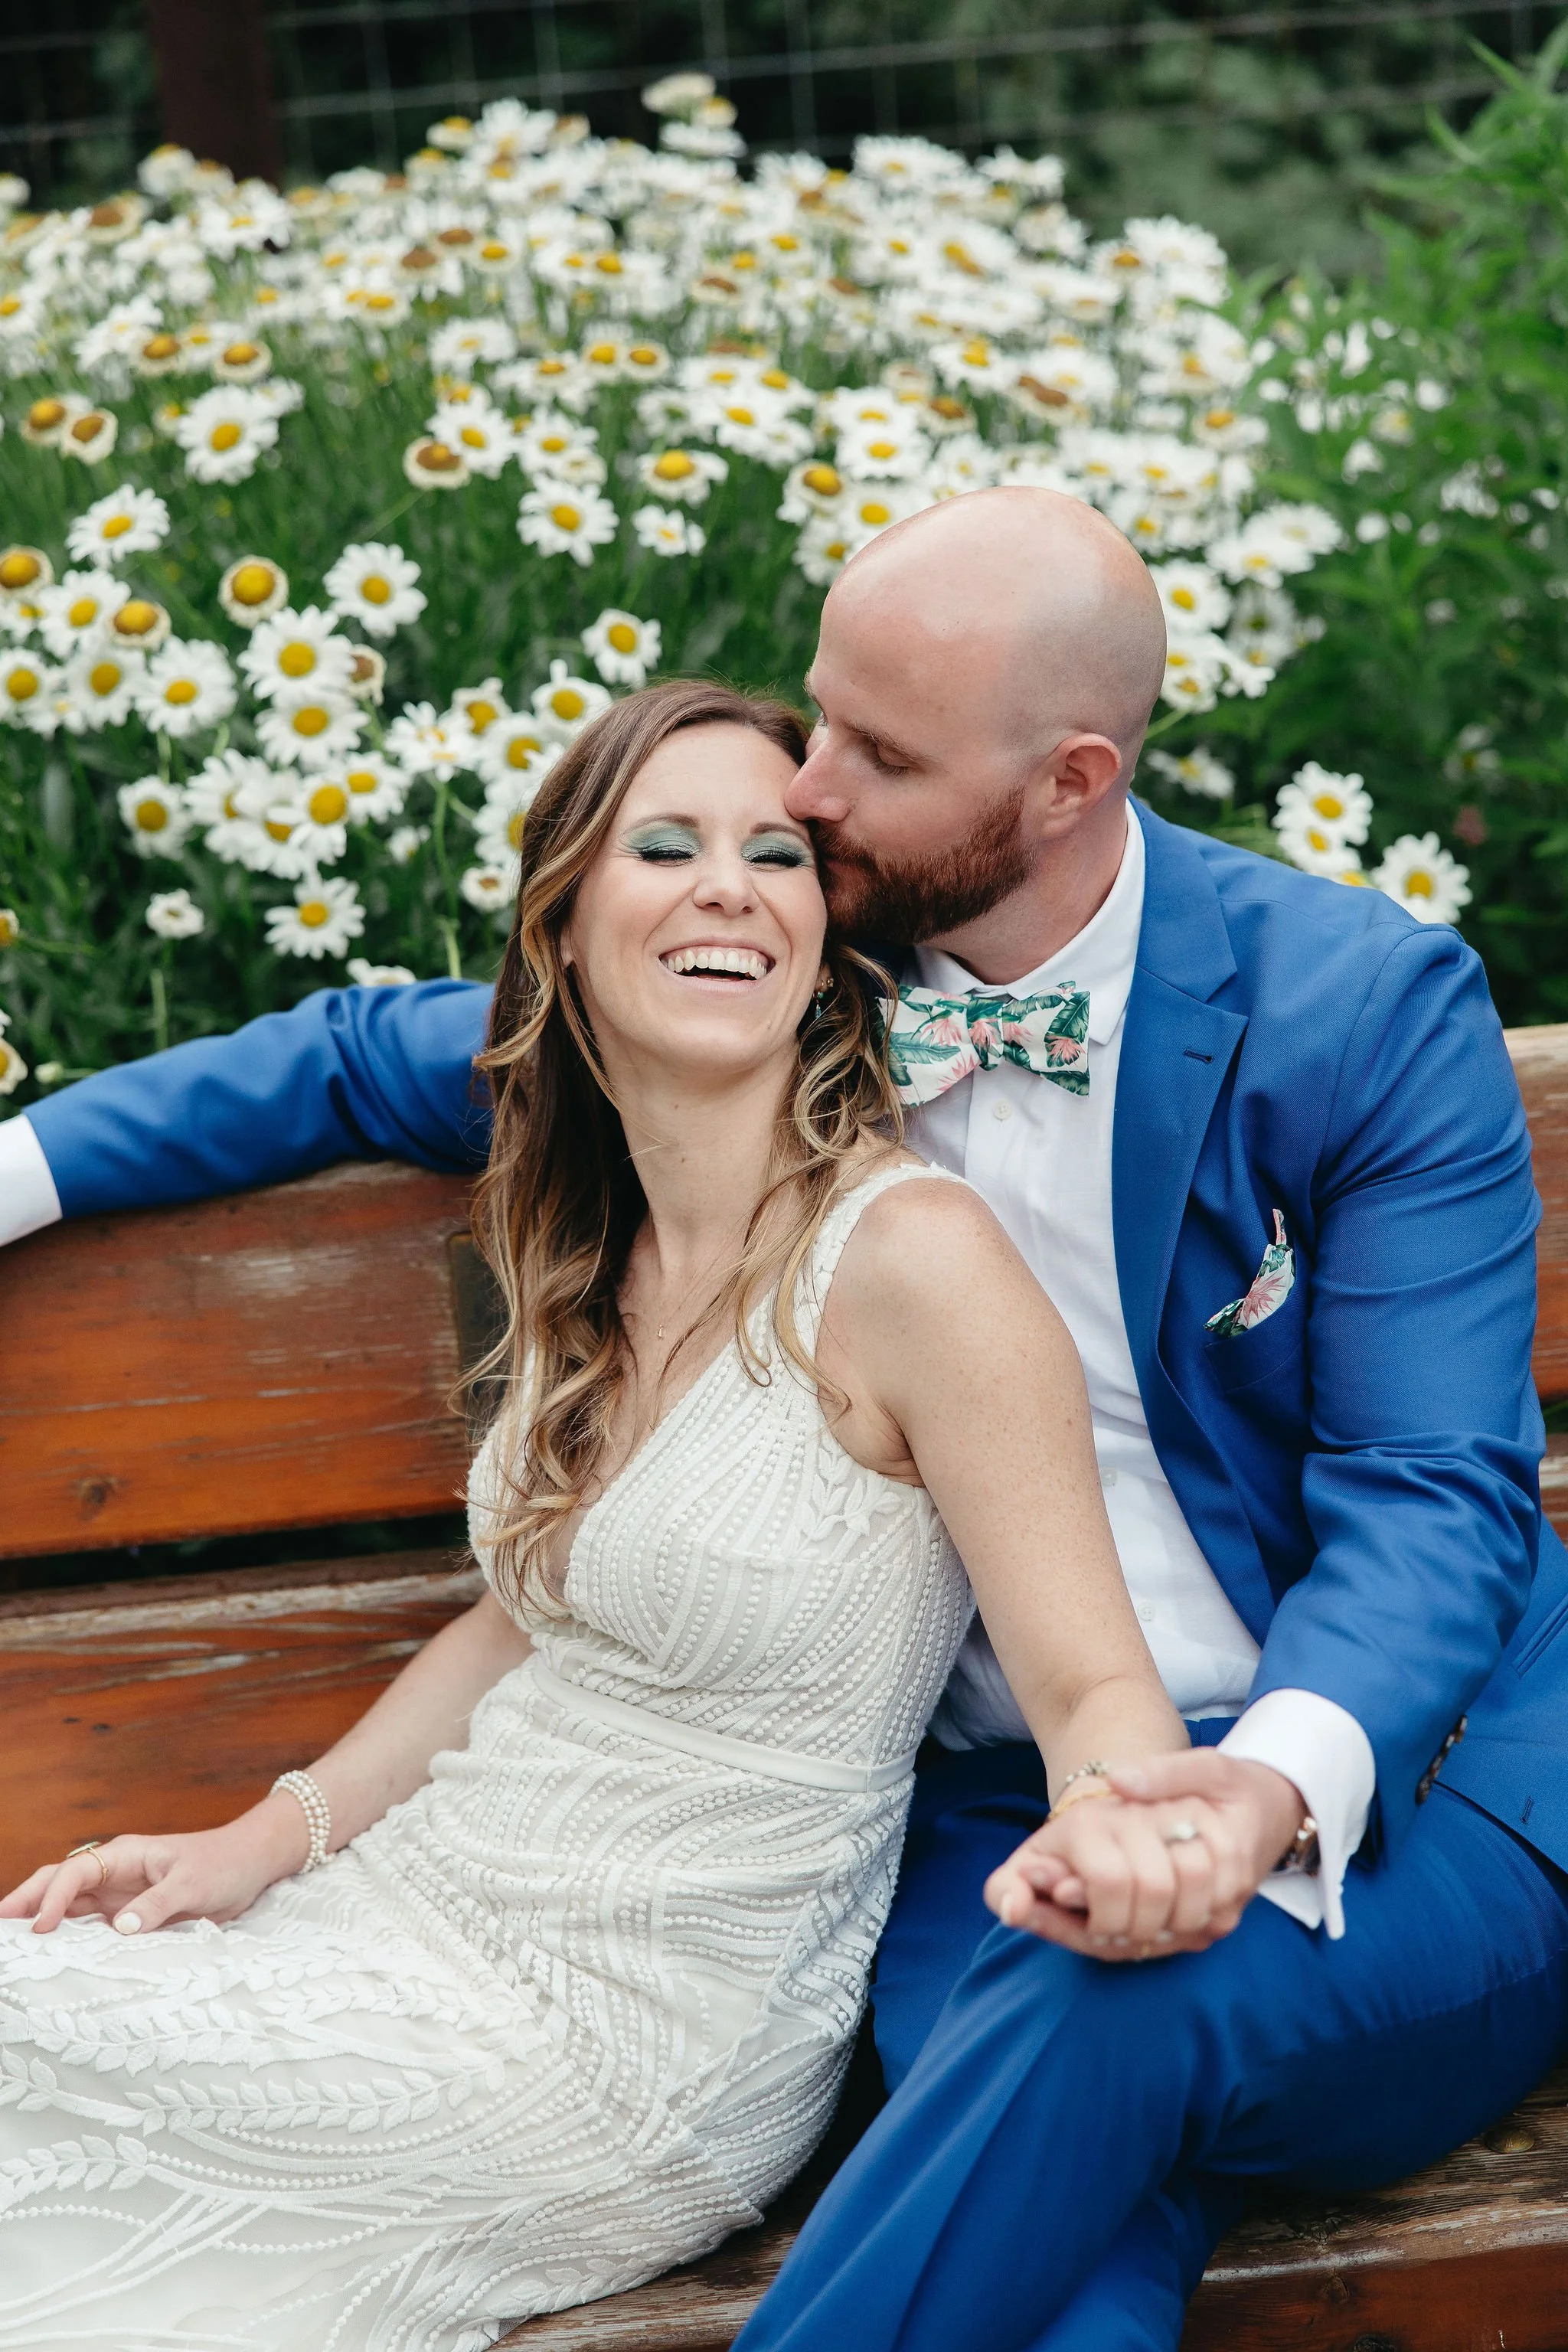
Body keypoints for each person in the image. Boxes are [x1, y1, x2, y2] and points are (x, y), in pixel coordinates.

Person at [4, 485, 1568, 2345]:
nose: (807, 791)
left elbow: (1432, 1500)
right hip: (969, 1820)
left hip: (1409, 1794)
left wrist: (1243, 1794)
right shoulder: (805, 970)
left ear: (1066, 782)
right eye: (819, 718)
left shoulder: (1355, 1014)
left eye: (872, 755)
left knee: (1095, 2011)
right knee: (1071, 2145)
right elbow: (376, 1053)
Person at [0, 677, 1187, 2350]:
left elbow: (1086, 1683)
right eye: (669, 844)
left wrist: (1122, 1839)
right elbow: (528, 1620)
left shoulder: (914, 1264)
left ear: (821, 940)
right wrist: (258, 1843)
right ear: (564, 930)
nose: (730, 886)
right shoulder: (587, 1246)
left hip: (628, 2045)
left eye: (778, 855)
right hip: (411, 1909)